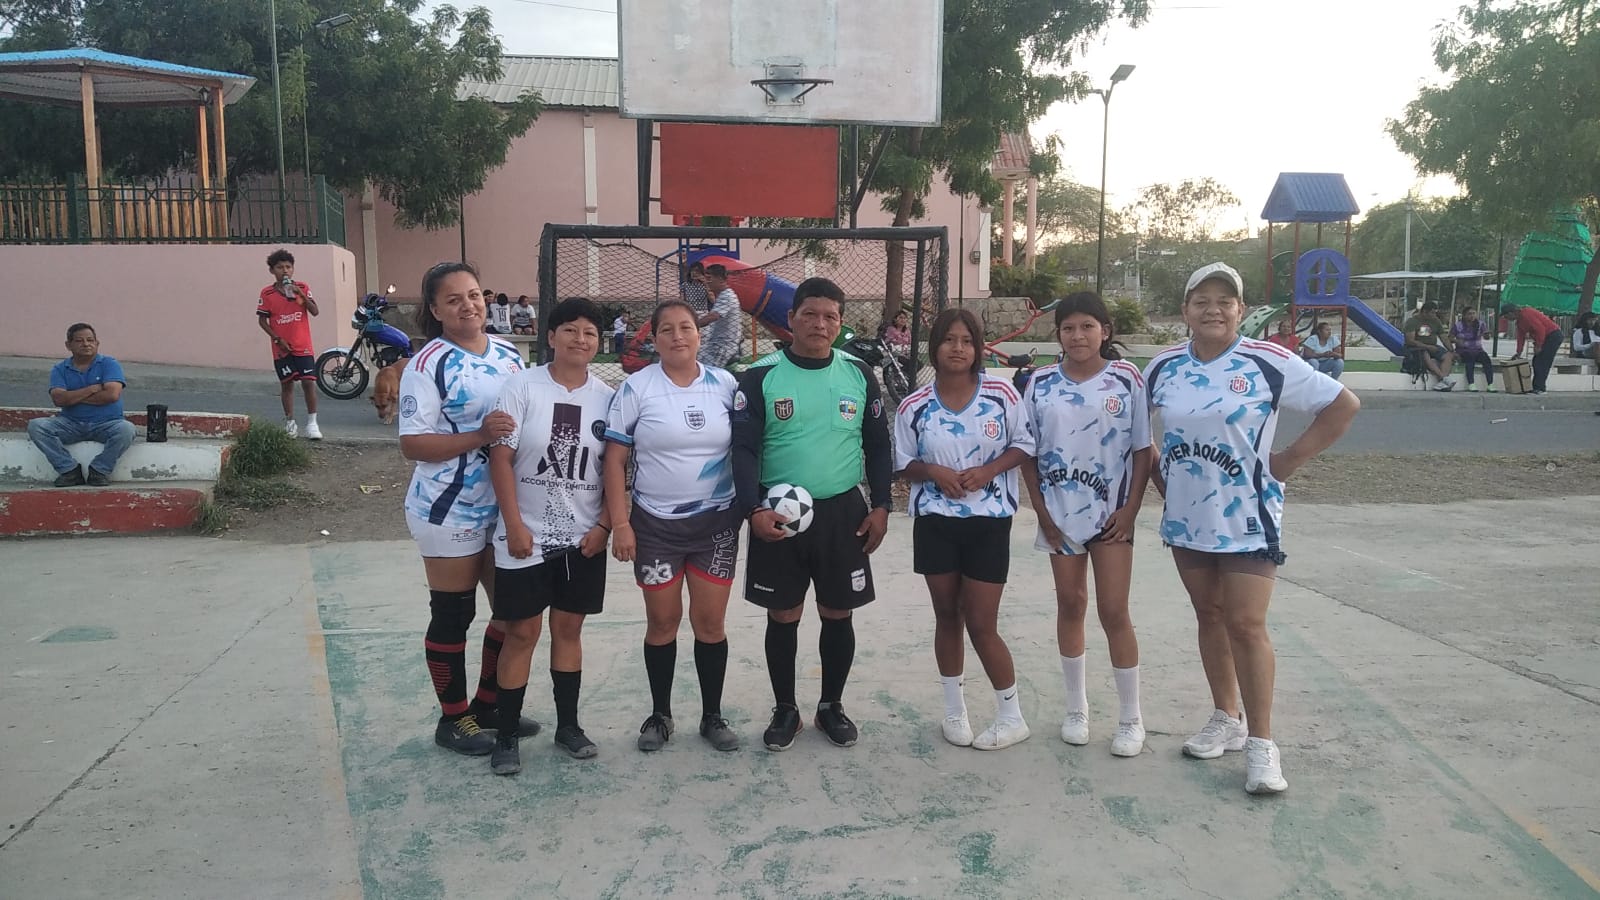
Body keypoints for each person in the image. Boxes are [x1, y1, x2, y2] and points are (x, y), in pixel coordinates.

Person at [1145, 262, 1359, 795]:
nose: (1213, 310)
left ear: (1241, 310)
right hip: (1188, 518)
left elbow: (1342, 404)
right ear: (1185, 311)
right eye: (1201, 301)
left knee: (1245, 624)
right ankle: (1227, 718)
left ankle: (1263, 743)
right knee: (1210, 615)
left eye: (1224, 301)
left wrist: (1287, 460)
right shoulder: (1164, 366)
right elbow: (1136, 432)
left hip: (1248, 517)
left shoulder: (1268, 361)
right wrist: (1162, 477)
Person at [731, 277, 893, 751]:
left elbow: (878, 445)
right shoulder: (761, 376)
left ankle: (830, 707)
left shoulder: (858, 374)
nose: (819, 324)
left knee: (837, 610)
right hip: (777, 512)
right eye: (810, 314)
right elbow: (744, 449)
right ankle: (786, 710)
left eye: (830, 317)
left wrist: (881, 505)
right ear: (792, 318)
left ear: (840, 324)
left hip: (842, 511)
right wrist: (752, 509)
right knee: (783, 612)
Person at [398, 261, 538, 758]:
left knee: (512, 613)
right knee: (454, 614)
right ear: (435, 310)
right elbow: (413, 444)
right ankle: (453, 719)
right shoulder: (426, 364)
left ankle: (489, 705)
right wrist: (479, 435)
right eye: (453, 299)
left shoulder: (509, 355)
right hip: (448, 508)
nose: (468, 306)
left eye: (474, 295)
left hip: (504, 507)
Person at [603, 299, 742, 754]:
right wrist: (620, 523)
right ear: (655, 339)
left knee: (710, 623)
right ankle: (660, 715)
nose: (678, 336)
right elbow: (614, 460)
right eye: (667, 329)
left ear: (699, 334)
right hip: (656, 527)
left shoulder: (725, 384)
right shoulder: (636, 388)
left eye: (686, 327)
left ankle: (712, 715)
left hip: (715, 524)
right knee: (662, 623)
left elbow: (748, 447)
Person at [484, 297, 615, 773]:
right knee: (522, 632)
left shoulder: (608, 398)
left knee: (568, 629)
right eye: (571, 330)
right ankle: (506, 735)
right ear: (552, 336)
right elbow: (501, 459)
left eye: (590, 333)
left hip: (582, 539)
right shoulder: (521, 387)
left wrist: (604, 526)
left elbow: (617, 470)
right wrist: (514, 524)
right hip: (525, 537)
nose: (581, 339)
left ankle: (568, 727)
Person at [1020, 292, 1153, 758]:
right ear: (1058, 334)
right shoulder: (1039, 383)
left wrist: (1130, 510)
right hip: (1060, 515)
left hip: (1111, 516)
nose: (1077, 336)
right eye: (1068, 328)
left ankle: (1131, 718)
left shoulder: (1127, 378)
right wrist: (1042, 512)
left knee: (1114, 610)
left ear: (1105, 331)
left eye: (1087, 327)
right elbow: (1027, 453)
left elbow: (1143, 450)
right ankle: (1076, 709)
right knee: (1071, 604)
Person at [894, 308, 1034, 750]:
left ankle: (1011, 716)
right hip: (935, 523)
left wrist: (989, 470)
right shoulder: (914, 405)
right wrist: (933, 471)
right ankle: (954, 712)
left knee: (981, 622)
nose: (958, 348)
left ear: (978, 348)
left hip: (989, 523)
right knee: (947, 615)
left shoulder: (1002, 394)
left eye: (967, 341)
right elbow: (902, 463)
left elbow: (1024, 444)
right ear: (934, 346)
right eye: (949, 339)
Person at [28, 323, 136, 487]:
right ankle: (69, 470)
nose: (86, 344)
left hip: (107, 423)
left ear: (97, 343)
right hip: (70, 423)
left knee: (126, 429)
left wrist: (72, 396)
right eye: (79, 341)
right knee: (37, 426)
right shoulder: (60, 369)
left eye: (90, 340)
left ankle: (99, 470)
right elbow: (58, 400)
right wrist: (91, 389)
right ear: (68, 345)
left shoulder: (109, 364)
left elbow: (111, 395)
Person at [257, 249, 323, 438]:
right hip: (282, 348)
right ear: (272, 270)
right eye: (280, 267)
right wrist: (277, 339)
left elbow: (315, 311)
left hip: (303, 345)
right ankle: (290, 422)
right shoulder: (267, 293)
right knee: (287, 384)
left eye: (288, 267)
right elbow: (262, 321)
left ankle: (312, 423)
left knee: (308, 382)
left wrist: (299, 293)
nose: (285, 271)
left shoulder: (302, 287)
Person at [1505, 303, 1564, 394]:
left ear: (1511, 313)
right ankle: (1537, 386)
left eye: (1506, 316)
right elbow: (1521, 336)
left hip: (1552, 335)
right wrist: (1518, 352)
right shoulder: (1520, 321)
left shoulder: (1526, 314)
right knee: (1536, 361)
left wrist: (1538, 346)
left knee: (1542, 362)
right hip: (1545, 337)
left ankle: (1540, 388)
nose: (1506, 319)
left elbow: (1540, 329)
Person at [1402, 300, 1457, 392]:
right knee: (1424, 354)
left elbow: (1443, 337)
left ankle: (1442, 383)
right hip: (1416, 347)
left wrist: (1451, 350)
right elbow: (1410, 340)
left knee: (1448, 355)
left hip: (1432, 346)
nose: (1434, 315)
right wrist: (1427, 347)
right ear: (1424, 312)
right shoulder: (1412, 321)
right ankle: (1444, 378)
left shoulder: (1436, 321)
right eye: (1432, 313)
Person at [697, 264, 742, 369]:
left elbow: (713, 316)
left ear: (721, 279)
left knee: (697, 367)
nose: (706, 282)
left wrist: (691, 324)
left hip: (723, 347)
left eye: (709, 278)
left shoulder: (727, 296)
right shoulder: (722, 295)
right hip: (716, 344)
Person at [1449, 307, 1496, 392]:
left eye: (1474, 313)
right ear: (1464, 315)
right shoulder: (1458, 325)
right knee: (1470, 359)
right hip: (1463, 350)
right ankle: (1471, 383)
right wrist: (1457, 341)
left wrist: (1487, 335)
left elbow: (1486, 337)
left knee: (1486, 359)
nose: (1472, 316)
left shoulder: (1481, 324)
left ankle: (1490, 384)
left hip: (1478, 350)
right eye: (1469, 314)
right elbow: (1450, 338)